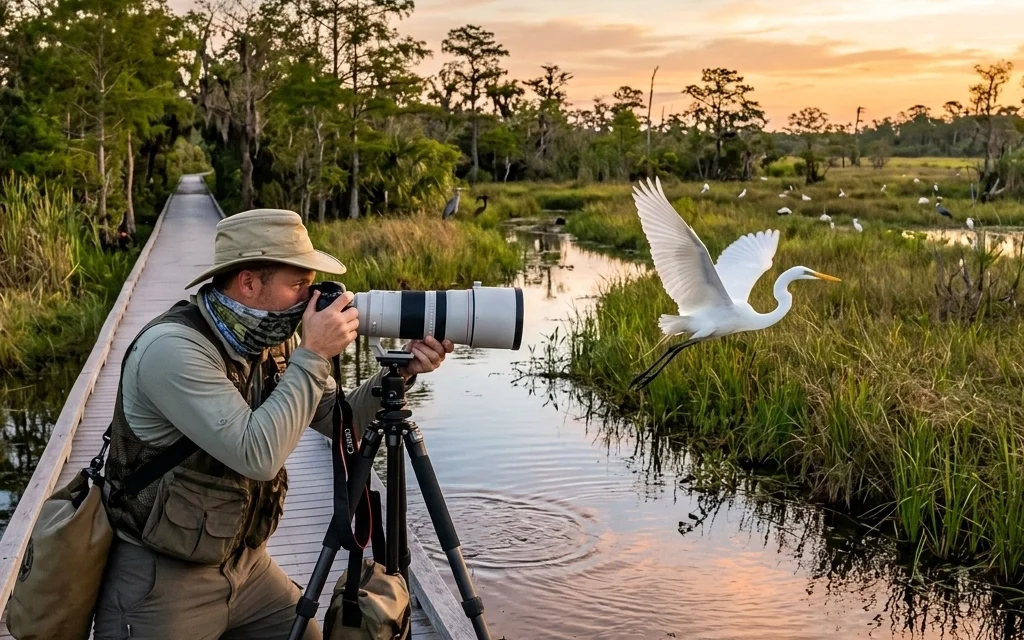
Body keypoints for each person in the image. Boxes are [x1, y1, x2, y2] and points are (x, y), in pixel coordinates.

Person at [92, 209, 454, 639]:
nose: (311, 298)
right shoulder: (171, 349)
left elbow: (339, 419)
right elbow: (257, 455)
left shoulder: (273, 340)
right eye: (298, 284)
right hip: (163, 576)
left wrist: (399, 373)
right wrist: (314, 355)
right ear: (248, 282)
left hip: (245, 565)